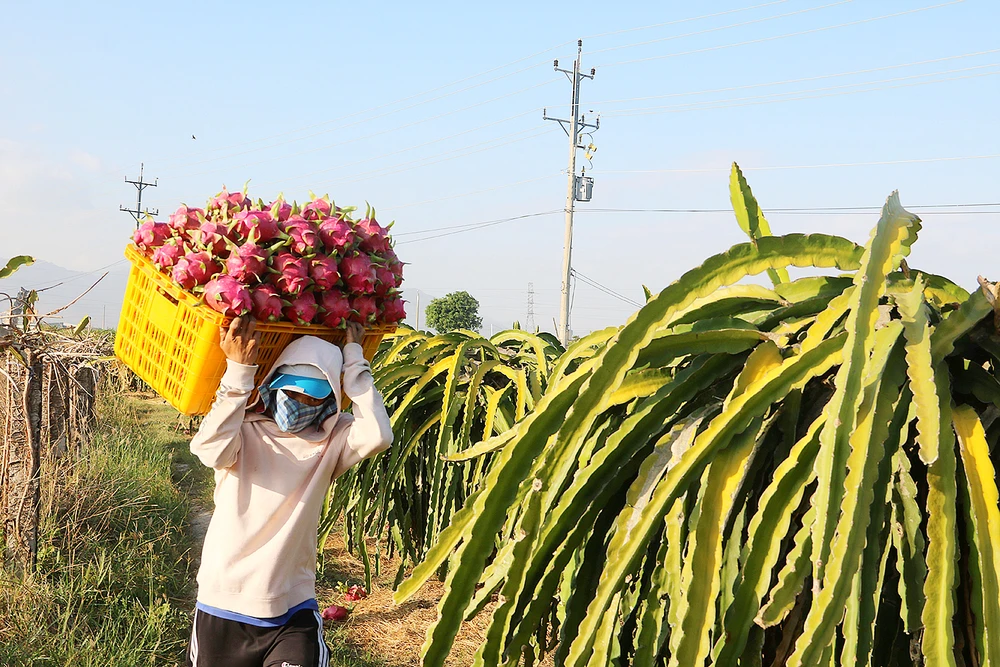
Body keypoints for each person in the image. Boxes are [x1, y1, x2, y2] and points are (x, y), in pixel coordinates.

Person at [186, 315, 393, 667]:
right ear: (271, 386)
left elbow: (379, 435)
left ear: (329, 401)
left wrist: (355, 361)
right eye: (289, 391)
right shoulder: (243, 429)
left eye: (311, 398)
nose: (296, 402)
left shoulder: (333, 440)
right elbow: (207, 451)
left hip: (292, 606)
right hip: (223, 601)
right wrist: (238, 373)